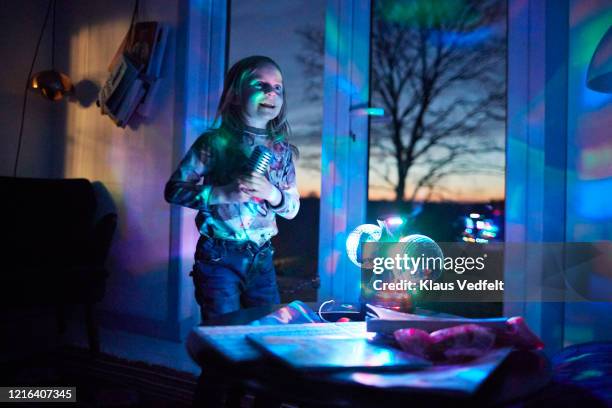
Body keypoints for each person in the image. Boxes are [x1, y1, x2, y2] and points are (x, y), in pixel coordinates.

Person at [164, 56, 300, 321]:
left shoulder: (282, 151)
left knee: (266, 328)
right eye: (260, 84)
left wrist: (271, 193)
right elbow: (174, 189)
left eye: (278, 87)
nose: (271, 91)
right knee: (223, 332)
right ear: (236, 95)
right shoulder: (213, 143)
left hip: (262, 258)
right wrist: (221, 193)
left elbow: (292, 208)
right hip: (219, 257)